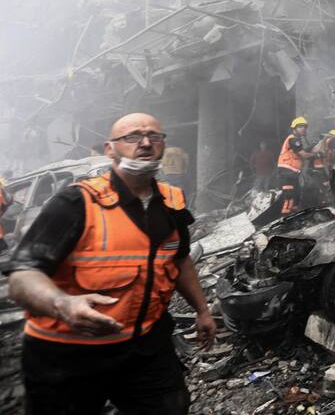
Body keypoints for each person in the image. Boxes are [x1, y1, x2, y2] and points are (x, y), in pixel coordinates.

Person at [3, 113, 215, 414]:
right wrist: (64, 305)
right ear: (109, 149)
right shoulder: (76, 202)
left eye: (154, 136)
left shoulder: (172, 201)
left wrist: (203, 310)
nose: (145, 143)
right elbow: (22, 276)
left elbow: (179, 259)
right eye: (132, 137)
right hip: (69, 352)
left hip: (146, 345)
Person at [276, 117, 317, 214]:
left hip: (292, 172)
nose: (303, 129)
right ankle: (285, 216)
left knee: (297, 195)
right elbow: (303, 155)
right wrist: (316, 155)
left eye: (305, 127)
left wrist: (311, 147)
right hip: (287, 171)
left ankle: (294, 214)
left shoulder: (296, 141)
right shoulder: (293, 140)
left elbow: (299, 152)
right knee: (289, 196)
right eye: (301, 127)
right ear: (294, 128)